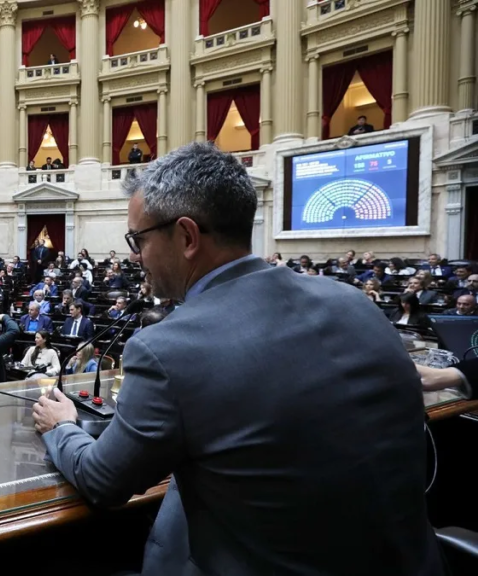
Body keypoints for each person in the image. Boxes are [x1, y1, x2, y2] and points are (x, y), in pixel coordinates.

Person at [31, 142, 442, 575]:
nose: (135, 256)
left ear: (187, 237)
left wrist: (62, 427)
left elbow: (102, 481)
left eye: (139, 240)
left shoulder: (169, 348)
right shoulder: (354, 302)